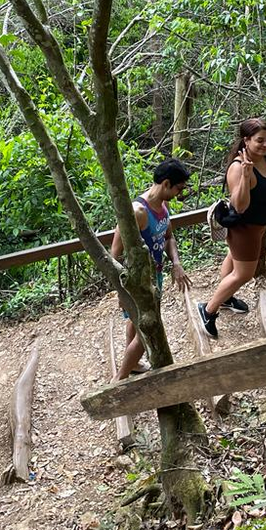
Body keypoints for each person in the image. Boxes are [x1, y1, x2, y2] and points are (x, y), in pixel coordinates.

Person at [198, 118, 266, 339]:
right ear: (246, 140)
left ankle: (226, 298)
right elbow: (239, 205)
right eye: (259, 141)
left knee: (233, 260)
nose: (265, 145)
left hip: (258, 227)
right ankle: (208, 310)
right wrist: (246, 178)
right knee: (244, 274)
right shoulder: (238, 167)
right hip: (244, 229)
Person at [110, 158, 192, 380]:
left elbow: (168, 237)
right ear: (166, 184)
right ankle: (119, 381)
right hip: (138, 280)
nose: (180, 193)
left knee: (136, 323)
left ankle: (133, 364)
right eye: (179, 188)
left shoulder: (163, 206)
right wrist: (121, 288)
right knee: (147, 329)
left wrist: (176, 263)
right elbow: (114, 253)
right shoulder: (138, 212)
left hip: (155, 275)